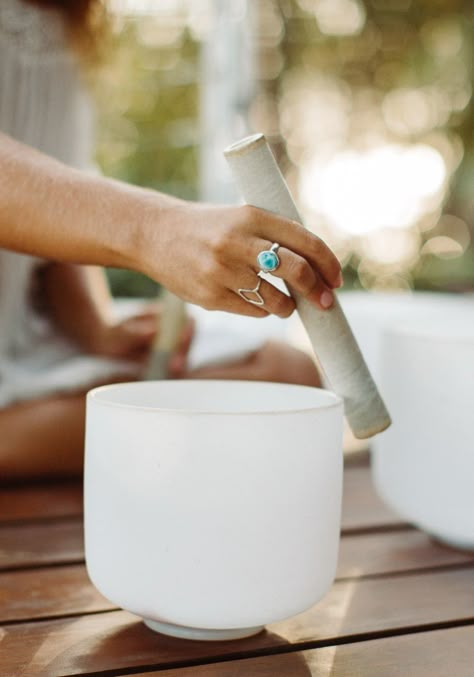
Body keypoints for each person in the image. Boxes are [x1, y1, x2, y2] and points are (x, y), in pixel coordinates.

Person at [0, 0, 342, 479]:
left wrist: (96, 331)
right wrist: (155, 230)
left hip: (21, 349)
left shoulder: (70, 16)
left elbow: (50, 197)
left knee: (288, 378)